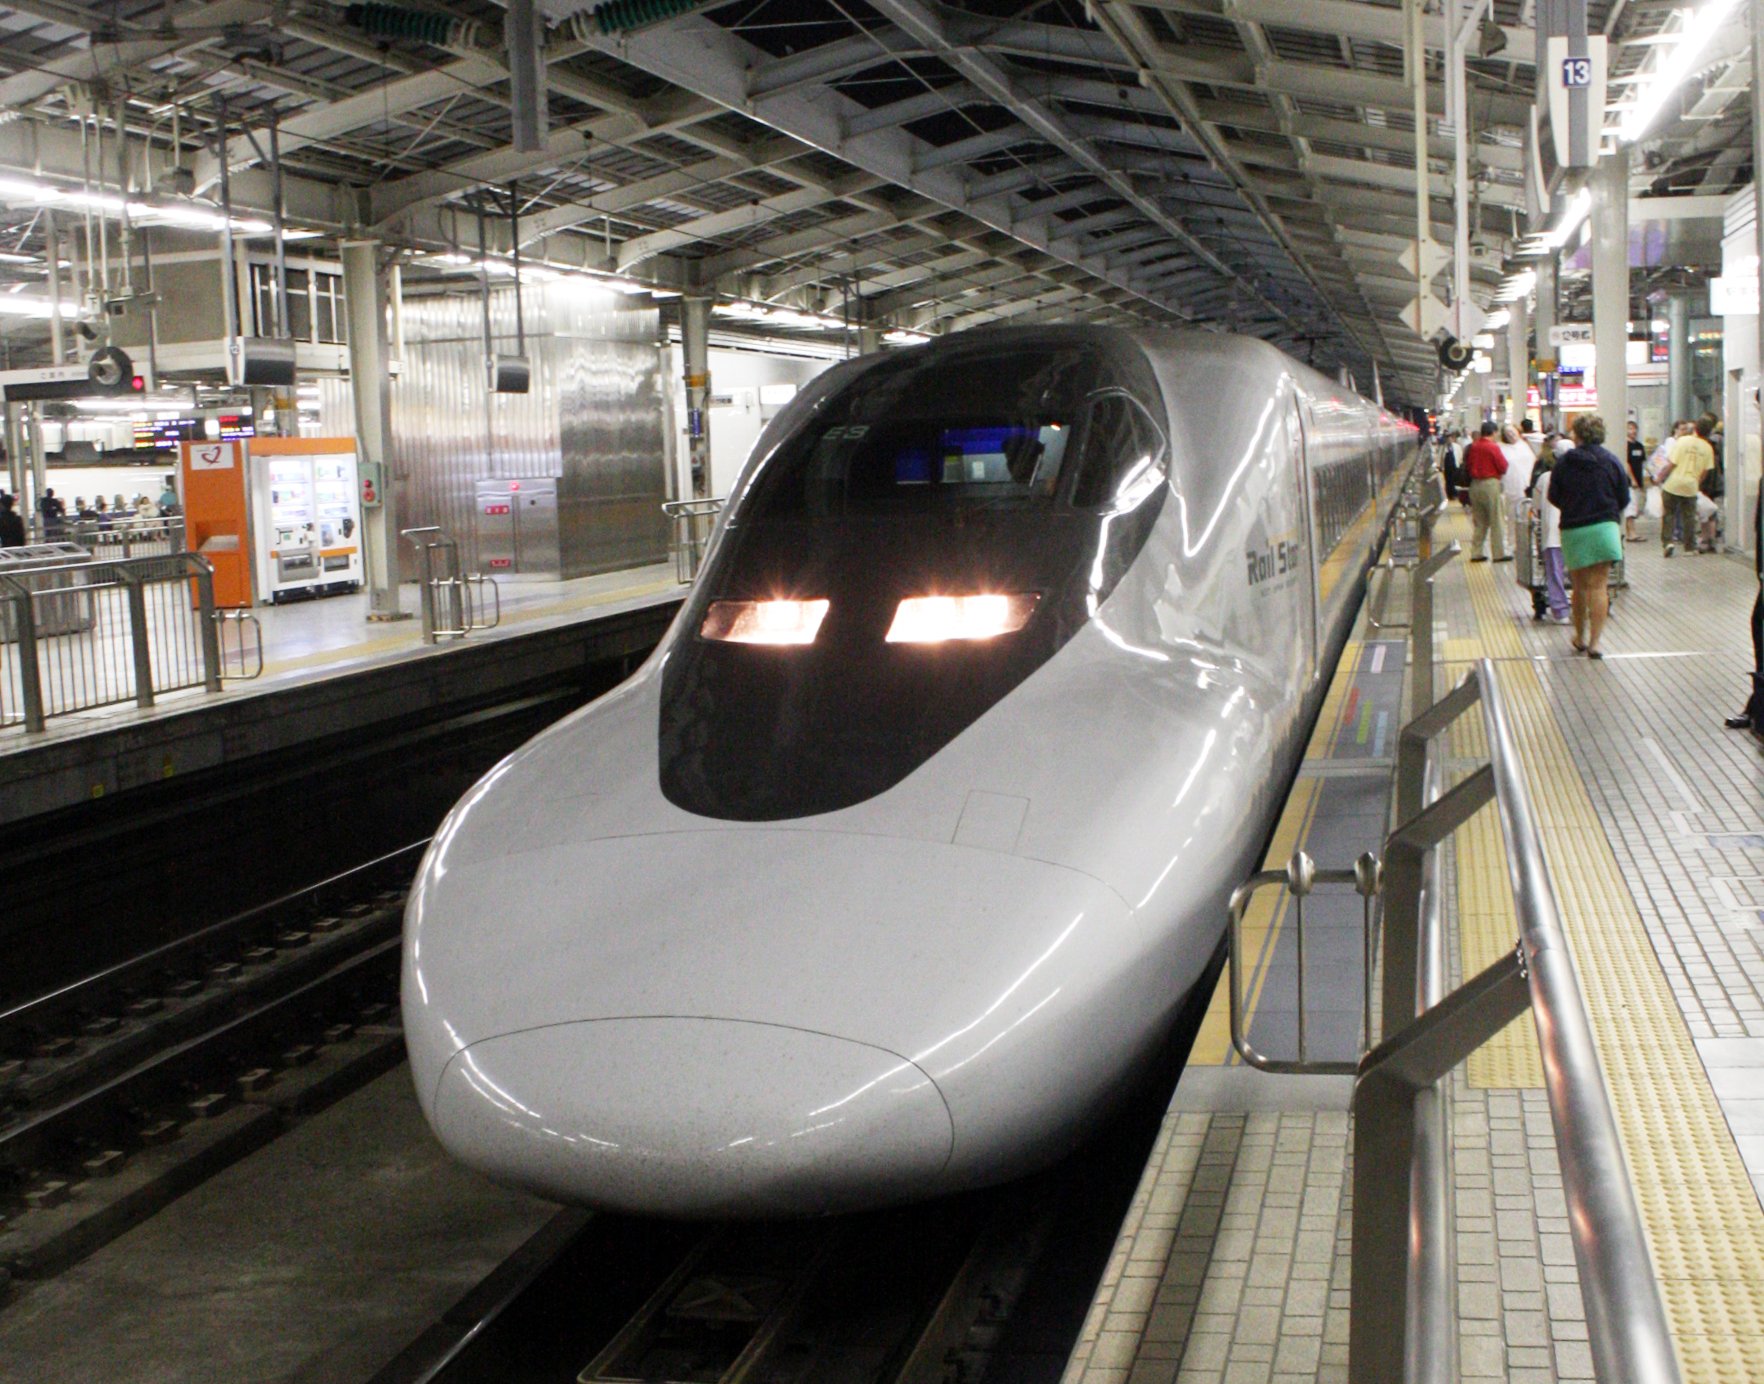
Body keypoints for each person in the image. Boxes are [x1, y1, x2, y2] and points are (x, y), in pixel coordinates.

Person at [1547, 413, 1630, 659]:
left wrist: (1573, 507)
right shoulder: (1612, 461)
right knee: (1599, 586)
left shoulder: (1564, 463)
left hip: (1575, 529)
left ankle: (1579, 637)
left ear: (1578, 435)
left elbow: (1554, 496)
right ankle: (1595, 643)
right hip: (1605, 528)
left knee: (1580, 586)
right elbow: (1624, 497)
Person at [1658, 415, 1715, 556]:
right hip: (1691, 485)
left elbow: (1671, 464)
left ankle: (1668, 543)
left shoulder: (1682, 441)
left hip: (1673, 483)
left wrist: (1660, 476)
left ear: (1695, 428)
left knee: (1668, 514)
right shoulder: (1708, 448)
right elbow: (1704, 472)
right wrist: (1696, 483)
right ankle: (1689, 547)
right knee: (1689, 517)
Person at [1530, 450, 1571, 624]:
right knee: (1579, 572)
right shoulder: (1581, 475)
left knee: (1555, 573)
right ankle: (1583, 606)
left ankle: (1560, 611)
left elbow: (1536, 505)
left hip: (1553, 534)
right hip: (1576, 532)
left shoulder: (1545, 478)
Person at [1463, 420, 1510, 561]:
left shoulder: (1473, 447)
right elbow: (1503, 466)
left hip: (1475, 486)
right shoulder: (1492, 447)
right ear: (1494, 432)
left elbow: (1468, 465)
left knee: (1480, 522)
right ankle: (1498, 554)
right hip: (1490, 485)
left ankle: (1476, 553)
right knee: (1496, 520)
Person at [1624, 421, 1648, 542]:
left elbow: (1642, 464)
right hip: (1629, 482)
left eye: (1634, 429)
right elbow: (1626, 463)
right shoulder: (1625, 446)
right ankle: (1631, 532)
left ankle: (1630, 532)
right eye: (1630, 429)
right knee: (1631, 507)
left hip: (1638, 480)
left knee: (1635, 506)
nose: (1632, 431)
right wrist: (1632, 479)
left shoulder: (1639, 446)